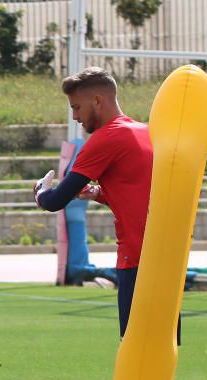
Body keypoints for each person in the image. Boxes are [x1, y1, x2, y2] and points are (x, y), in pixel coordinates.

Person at [34, 66, 162, 341]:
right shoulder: (145, 131)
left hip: (136, 259)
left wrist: (40, 192)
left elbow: (56, 200)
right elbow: (140, 191)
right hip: (166, 260)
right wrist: (99, 193)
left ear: (98, 101)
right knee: (163, 348)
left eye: (77, 107)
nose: (75, 116)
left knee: (135, 349)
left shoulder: (105, 138)